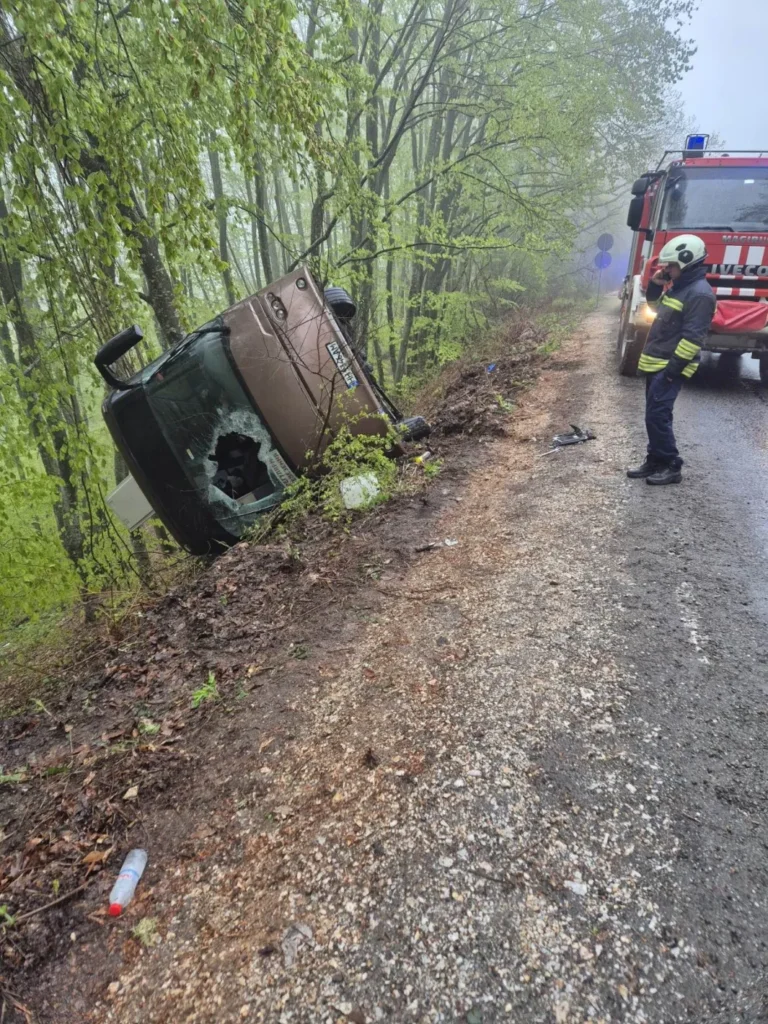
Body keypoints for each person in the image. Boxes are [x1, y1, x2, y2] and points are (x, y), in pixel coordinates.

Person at [627, 233, 716, 485]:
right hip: (658, 363)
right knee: (654, 415)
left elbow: (692, 339)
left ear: (687, 263)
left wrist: (671, 372)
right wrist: (656, 285)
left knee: (658, 415)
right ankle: (655, 459)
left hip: (669, 367)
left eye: (671, 266)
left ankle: (671, 464)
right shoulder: (680, 288)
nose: (667, 269)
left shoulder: (699, 295)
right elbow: (657, 309)